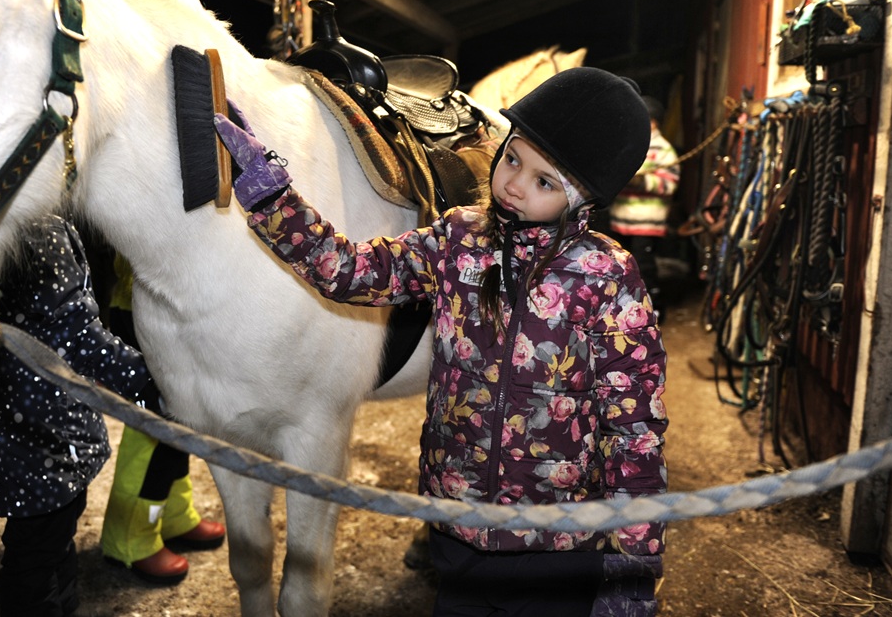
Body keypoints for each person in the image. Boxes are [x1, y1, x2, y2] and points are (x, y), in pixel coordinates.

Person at [214, 67, 668, 616]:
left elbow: (635, 430)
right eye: (513, 158)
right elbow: (349, 270)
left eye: (544, 181)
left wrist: (631, 570)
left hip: (559, 542)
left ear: (581, 200)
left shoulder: (607, 277)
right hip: (458, 525)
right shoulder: (457, 239)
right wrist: (271, 195)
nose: (514, 183)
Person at [0, 215, 160, 617]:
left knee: (50, 541)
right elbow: (78, 335)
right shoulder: (41, 231)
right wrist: (155, 386)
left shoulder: (20, 224)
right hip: (38, 429)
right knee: (35, 552)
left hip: (22, 415)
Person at [99, 256, 226, 585]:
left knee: (181, 419)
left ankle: (173, 514)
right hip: (144, 305)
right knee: (153, 425)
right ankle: (129, 536)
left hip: (180, 306)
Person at [608, 95, 680, 323]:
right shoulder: (630, 145)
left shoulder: (664, 150)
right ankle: (624, 310)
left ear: (653, 123)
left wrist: (642, 182)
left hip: (647, 222)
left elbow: (669, 184)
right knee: (620, 266)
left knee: (644, 268)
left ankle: (653, 310)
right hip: (622, 220)